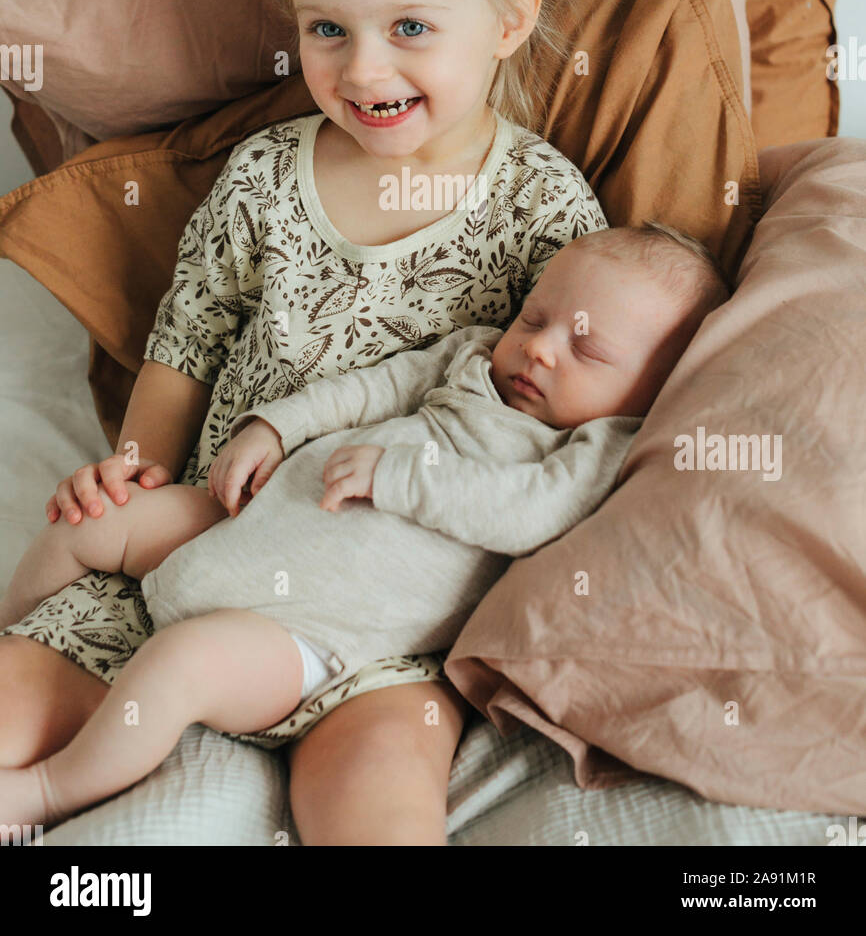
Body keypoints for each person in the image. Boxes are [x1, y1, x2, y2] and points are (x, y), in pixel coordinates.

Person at [0, 0, 610, 846]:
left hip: (379, 618)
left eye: (410, 28)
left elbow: (592, 398)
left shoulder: (544, 208)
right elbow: (185, 343)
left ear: (511, 21)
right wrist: (130, 478)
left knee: (376, 804)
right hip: (206, 543)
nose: (362, 69)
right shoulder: (267, 178)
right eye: (326, 29)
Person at [0, 223, 731, 830]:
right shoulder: (474, 354)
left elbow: (531, 514)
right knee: (93, 517)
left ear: (655, 389)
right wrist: (274, 430)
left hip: (311, 631)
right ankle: (16, 623)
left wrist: (398, 477)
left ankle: (48, 791)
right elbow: (372, 388)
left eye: (588, 349)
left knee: (181, 663)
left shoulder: (593, 449)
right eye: (534, 319)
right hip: (253, 524)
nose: (539, 347)